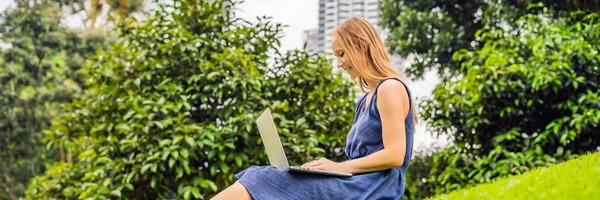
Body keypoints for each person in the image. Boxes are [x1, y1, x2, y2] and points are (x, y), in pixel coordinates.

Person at [211, 16, 418, 200]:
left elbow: (395, 155)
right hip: (355, 182)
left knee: (261, 177)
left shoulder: (390, 87)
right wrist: (331, 170)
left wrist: (338, 167)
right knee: (255, 174)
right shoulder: (364, 101)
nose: (339, 64)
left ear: (360, 46)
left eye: (341, 54)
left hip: (372, 188)